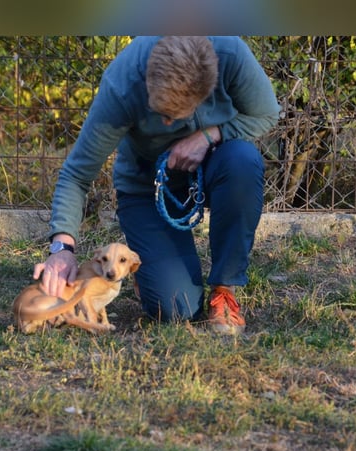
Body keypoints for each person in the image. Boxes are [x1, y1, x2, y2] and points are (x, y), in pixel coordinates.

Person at [33, 36, 279, 334]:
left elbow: (266, 114)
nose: (166, 125)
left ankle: (224, 291)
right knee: (176, 307)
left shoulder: (231, 53)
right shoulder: (122, 85)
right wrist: (62, 248)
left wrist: (207, 136)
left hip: (216, 164)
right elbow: (76, 173)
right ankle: (147, 268)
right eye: (159, 111)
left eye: (174, 116)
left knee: (243, 161)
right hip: (147, 185)